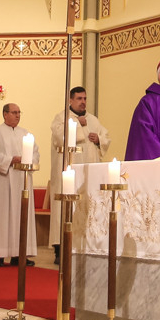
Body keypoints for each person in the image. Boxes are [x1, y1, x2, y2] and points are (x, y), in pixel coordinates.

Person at [49, 86, 111, 261]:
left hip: (88, 175)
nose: (83, 102)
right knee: (64, 208)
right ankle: (60, 249)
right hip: (68, 173)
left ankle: (85, 246)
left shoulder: (93, 120)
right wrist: (80, 127)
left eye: (84, 98)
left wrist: (99, 139)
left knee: (87, 207)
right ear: (70, 100)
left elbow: (105, 137)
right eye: (79, 99)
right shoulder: (62, 118)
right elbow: (59, 137)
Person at [0, 103, 39, 268]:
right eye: (14, 112)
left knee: (21, 216)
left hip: (22, 181)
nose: (17, 115)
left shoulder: (26, 134)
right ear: (5, 114)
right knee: (1, 217)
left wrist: (27, 160)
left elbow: (35, 154)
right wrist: (10, 160)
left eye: (19, 112)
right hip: (2, 181)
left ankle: (19, 255)